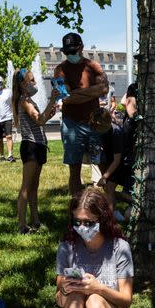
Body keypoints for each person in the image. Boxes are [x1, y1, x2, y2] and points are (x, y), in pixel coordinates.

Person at [54, 33, 109, 195]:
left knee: (101, 163)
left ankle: (108, 204)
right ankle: (76, 205)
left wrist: (76, 93)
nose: (70, 55)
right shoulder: (59, 70)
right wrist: (92, 92)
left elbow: (104, 89)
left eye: (73, 51)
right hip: (71, 124)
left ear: (81, 48)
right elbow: (66, 98)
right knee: (74, 168)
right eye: (67, 52)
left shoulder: (94, 66)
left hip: (94, 123)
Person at [12, 67, 59, 233]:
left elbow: (41, 120)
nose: (35, 83)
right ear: (22, 85)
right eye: (31, 81)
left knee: (34, 187)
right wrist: (52, 100)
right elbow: (39, 120)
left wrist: (49, 114)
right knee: (26, 187)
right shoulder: (24, 101)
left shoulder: (30, 101)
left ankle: (35, 220)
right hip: (31, 146)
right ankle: (22, 225)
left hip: (38, 145)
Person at [90, 108, 126, 210]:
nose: (95, 129)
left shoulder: (116, 132)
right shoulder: (102, 131)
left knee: (109, 188)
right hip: (109, 160)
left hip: (120, 164)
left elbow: (117, 160)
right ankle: (113, 212)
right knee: (107, 188)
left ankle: (110, 217)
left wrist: (105, 177)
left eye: (97, 126)